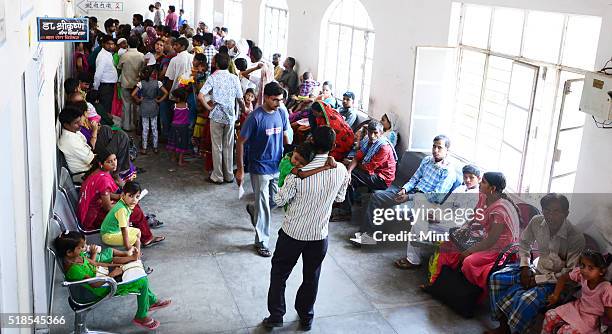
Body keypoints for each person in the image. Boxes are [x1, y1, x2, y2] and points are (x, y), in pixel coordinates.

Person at [263, 126, 350, 330]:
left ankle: (276, 315)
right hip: (319, 235)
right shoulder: (340, 171)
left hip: (293, 234)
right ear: (333, 146)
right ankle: (306, 317)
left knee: (279, 274)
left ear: (310, 141)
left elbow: (278, 199)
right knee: (312, 277)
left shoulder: (297, 174)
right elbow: (339, 198)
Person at [486, 193, 585, 334]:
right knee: (496, 278)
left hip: (557, 283)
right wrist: (525, 266)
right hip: (536, 268)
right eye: (547, 210)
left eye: (556, 211)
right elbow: (524, 243)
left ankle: (515, 331)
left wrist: (537, 280)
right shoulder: (537, 222)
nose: (550, 216)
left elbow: (569, 272)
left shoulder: (575, 237)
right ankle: (503, 327)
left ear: (566, 213)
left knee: (525, 299)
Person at [420, 172, 520, 295]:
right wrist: (465, 227)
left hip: (498, 248)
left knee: (469, 261)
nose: (479, 184)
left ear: (492, 188)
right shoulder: (484, 196)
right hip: (484, 237)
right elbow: (475, 214)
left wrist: (469, 251)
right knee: (447, 245)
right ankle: (436, 284)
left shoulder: (500, 210)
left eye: (483, 182)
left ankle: (467, 296)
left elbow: (492, 240)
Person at [54, 231, 171, 331]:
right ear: (69, 252)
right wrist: (112, 274)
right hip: (99, 289)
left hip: (101, 276)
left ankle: (151, 301)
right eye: (81, 247)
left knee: (135, 270)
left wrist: (118, 264)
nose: (85, 249)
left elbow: (95, 263)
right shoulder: (74, 270)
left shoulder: (77, 257)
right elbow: (94, 284)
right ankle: (141, 315)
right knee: (142, 281)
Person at [351, 135, 457, 246]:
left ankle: (371, 237)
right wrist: (404, 189)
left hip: (424, 203)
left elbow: (436, 197)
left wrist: (409, 197)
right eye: (434, 146)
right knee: (376, 197)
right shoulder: (427, 160)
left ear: (447, 151)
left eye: (439, 147)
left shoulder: (448, 171)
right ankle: (367, 235)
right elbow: (415, 179)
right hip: (410, 193)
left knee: (395, 210)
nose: (435, 150)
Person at [236, 82, 290, 257]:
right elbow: (240, 141)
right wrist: (241, 169)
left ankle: (254, 210)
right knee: (264, 205)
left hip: (277, 165)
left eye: (281, 100)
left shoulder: (282, 112)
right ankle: (261, 242)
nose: (278, 103)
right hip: (259, 166)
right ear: (265, 97)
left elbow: (287, 136)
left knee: (276, 200)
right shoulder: (255, 117)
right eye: (275, 100)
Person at [77, 149, 165, 243]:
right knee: (136, 212)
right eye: (109, 161)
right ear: (101, 163)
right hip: (94, 219)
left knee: (132, 203)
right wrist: (124, 204)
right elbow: (107, 208)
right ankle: (146, 238)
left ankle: (140, 231)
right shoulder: (103, 179)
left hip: (90, 211)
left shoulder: (97, 172)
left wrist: (119, 197)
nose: (114, 163)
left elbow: (102, 193)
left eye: (114, 159)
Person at [333, 120, 397, 221]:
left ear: (381, 133)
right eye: (370, 132)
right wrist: (349, 171)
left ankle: (345, 212)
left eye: (375, 132)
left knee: (351, 177)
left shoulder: (384, 147)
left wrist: (351, 166)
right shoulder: (368, 141)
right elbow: (357, 157)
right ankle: (342, 204)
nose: (372, 135)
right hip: (371, 172)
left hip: (382, 179)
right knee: (347, 174)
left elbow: (369, 168)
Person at [197, 52, 246, 183]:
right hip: (230, 117)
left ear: (217, 64)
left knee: (216, 146)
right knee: (229, 146)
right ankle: (229, 175)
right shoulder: (234, 78)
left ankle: (217, 176)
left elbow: (200, 96)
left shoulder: (213, 77)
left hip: (216, 116)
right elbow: (240, 98)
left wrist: (208, 108)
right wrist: (245, 109)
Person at [542, 250, 612, 334]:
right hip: (578, 307)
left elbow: (609, 311)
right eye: (583, 266)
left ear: (601, 271)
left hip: (590, 318)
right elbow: (563, 278)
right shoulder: (581, 275)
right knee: (549, 315)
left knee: (564, 331)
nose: (585, 270)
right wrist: (555, 295)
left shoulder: (606, 288)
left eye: (591, 268)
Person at [132, 66, 168, 154]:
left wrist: (139, 99)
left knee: (145, 128)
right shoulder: (158, 83)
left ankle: (144, 147)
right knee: (154, 127)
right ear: (153, 74)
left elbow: (133, 94)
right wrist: (159, 100)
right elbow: (166, 93)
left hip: (144, 106)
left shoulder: (141, 83)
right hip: (154, 106)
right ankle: (155, 147)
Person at [118, 36, 145, 131]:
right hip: (137, 84)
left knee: (126, 104)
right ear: (138, 44)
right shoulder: (142, 55)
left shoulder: (124, 55)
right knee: (136, 105)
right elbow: (143, 69)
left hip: (126, 83)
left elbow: (119, 67)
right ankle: (136, 124)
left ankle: (126, 126)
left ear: (128, 44)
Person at [93, 35, 118, 118]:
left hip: (109, 86)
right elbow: (98, 74)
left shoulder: (108, 54)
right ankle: (104, 129)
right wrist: (96, 88)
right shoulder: (102, 56)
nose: (111, 46)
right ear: (103, 44)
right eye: (108, 44)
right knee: (105, 110)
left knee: (107, 108)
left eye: (112, 44)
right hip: (105, 87)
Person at [164, 37, 194, 105]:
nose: (174, 47)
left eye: (176, 45)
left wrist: (168, 92)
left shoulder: (174, 60)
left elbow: (170, 79)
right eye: (174, 45)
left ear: (183, 47)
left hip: (176, 93)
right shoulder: (192, 57)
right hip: (189, 92)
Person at [166, 87, 191, 166]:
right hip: (184, 127)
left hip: (174, 126)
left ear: (178, 98)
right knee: (182, 142)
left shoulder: (174, 106)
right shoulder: (187, 105)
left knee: (174, 141)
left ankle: (173, 157)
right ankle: (180, 161)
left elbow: (170, 116)